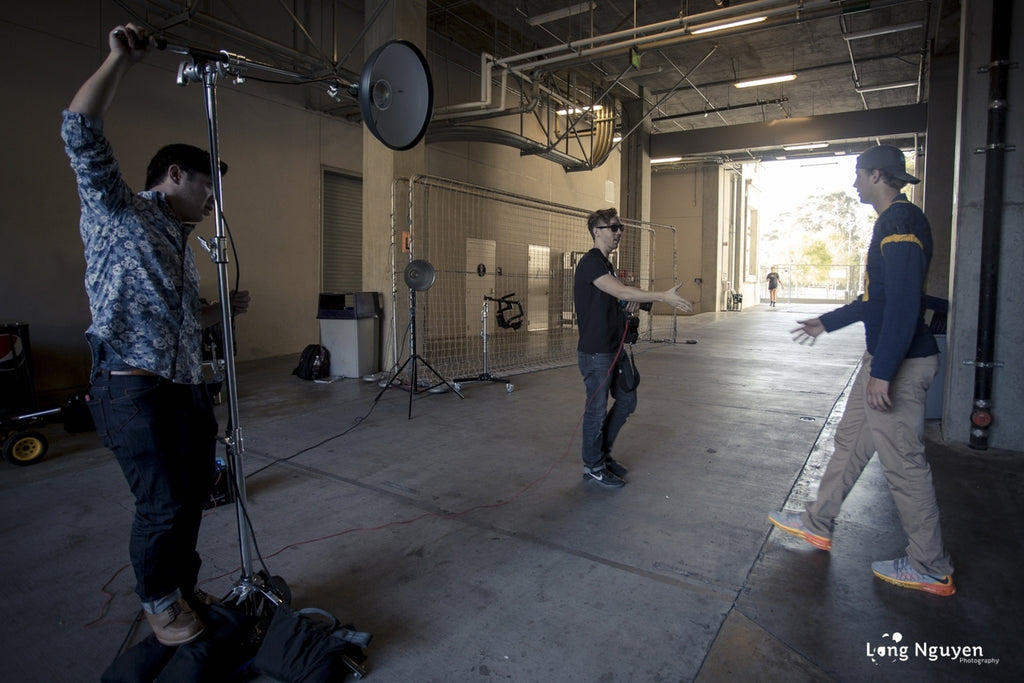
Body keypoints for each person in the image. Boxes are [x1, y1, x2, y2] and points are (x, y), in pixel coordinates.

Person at [62, 23, 250, 645]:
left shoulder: (181, 242)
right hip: (131, 387)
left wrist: (213, 312)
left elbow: (166, 315)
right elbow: (80, 131)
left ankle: (184, 586)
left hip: (182, 387)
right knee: (162, 504)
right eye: (205, 188)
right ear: (174, 174)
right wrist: (118, 59)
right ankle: (158, 600)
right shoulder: (119, 211)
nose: (210, 202)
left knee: (196, 494)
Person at [768, 145, 953, 596]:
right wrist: (826, 322)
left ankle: (930, 566)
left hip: (900, 365)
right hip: (885, 359)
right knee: (850, 442)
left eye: (858, 175)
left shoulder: (900, 222)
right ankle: (817, 522)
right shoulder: (893, 222)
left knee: (904, 465)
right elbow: (879, 301)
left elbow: (906, 304)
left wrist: (884, 372)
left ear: (876, 175)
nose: (853, 184)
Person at [574, 208, 693, 487]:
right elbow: (621, 291)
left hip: (614, 347)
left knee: (627, 400)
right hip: (596, 352)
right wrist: (662, 296)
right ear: (596, 231)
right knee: (596, 409)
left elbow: (620, 293)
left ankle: (601, 456)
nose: (618, 232)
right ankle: (593, 465)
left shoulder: (606, 265)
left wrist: (635, 300)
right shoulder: (591, 263)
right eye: (612, 227)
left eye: (620, 228)